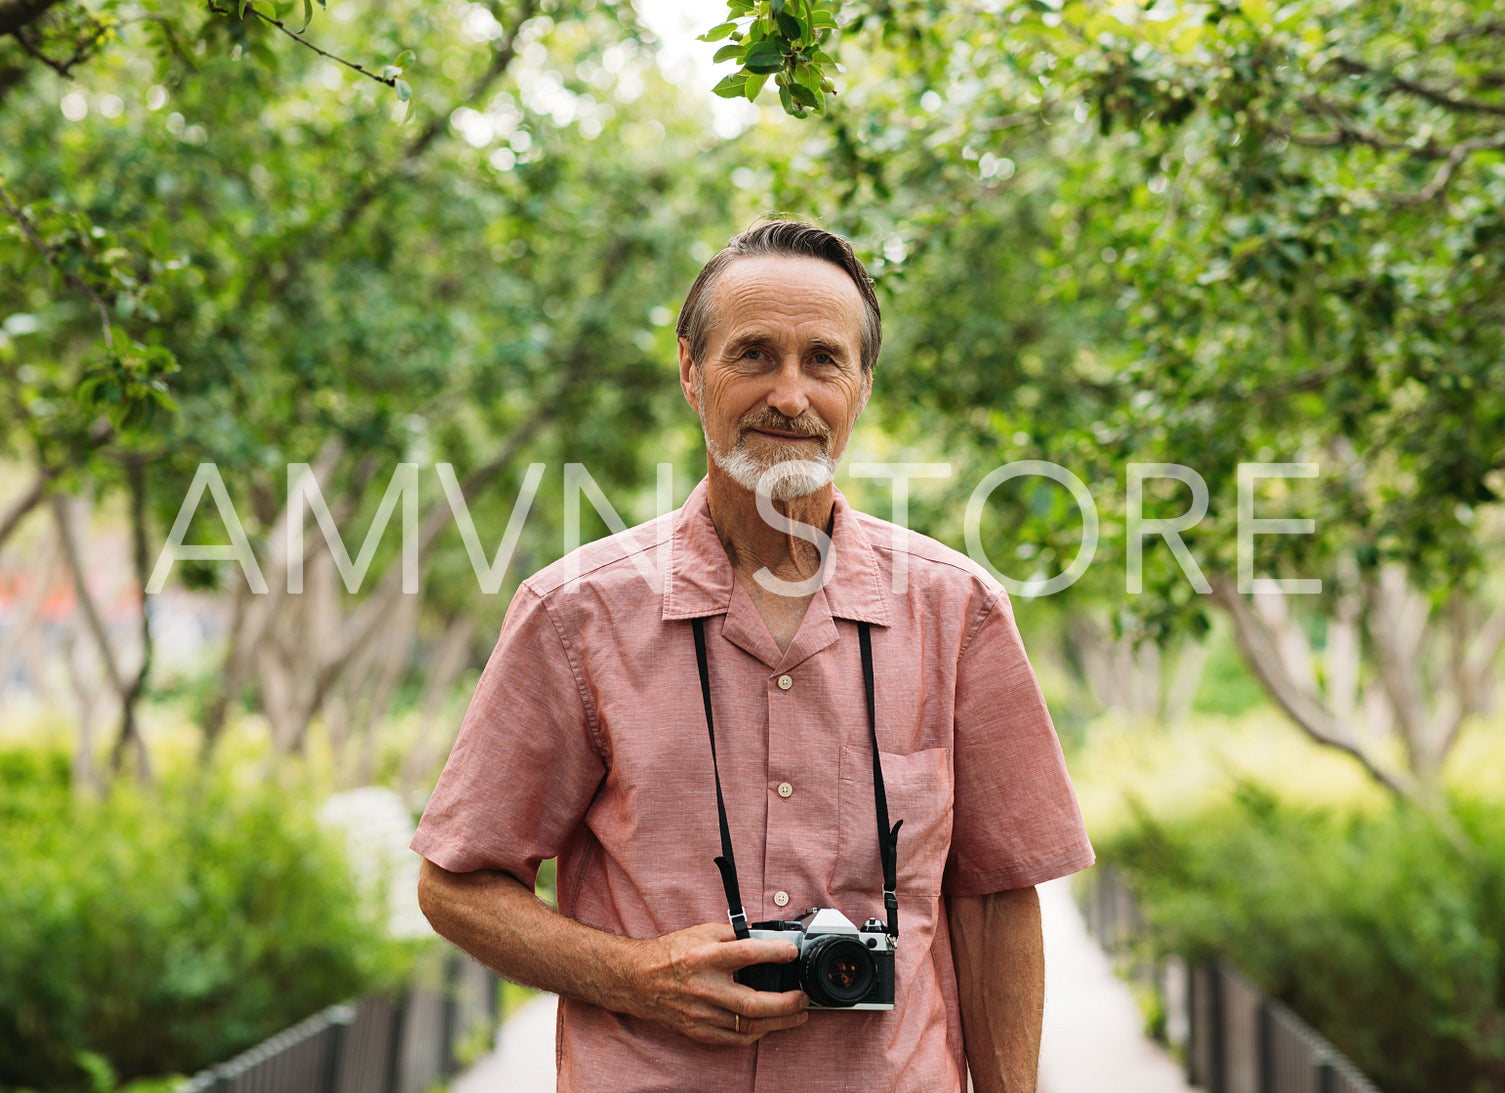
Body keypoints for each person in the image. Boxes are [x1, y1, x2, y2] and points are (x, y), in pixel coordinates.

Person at [412, 219, 1094, 1093]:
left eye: (822, 360)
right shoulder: (574, 612)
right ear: (691, 373)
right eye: (753, 355)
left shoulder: (957, 610)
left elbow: (996, 897)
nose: (789, 393)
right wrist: (635, 976)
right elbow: (456, 886)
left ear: (862, 385)